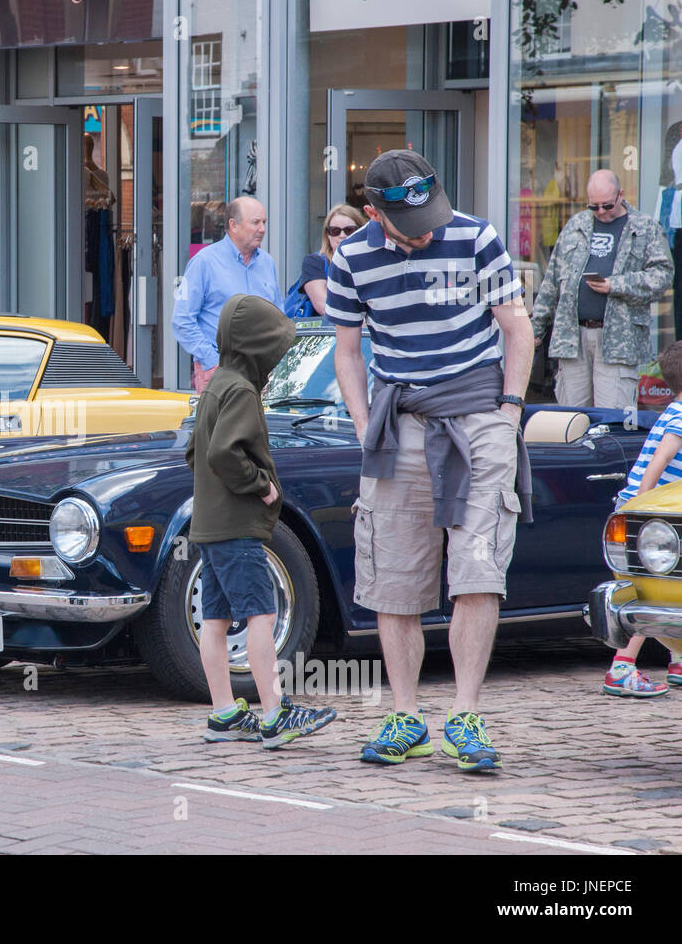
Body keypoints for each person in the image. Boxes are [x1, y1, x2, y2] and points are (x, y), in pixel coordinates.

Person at [328, 149, 533, 773]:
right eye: (410, 220)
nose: (426, 229)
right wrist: (366, 427)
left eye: (431, 213)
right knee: (395, 580)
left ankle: (465, 715)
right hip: (400, 423)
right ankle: (407, 715)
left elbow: (516, 327)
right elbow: (346, 350)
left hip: (477, 415)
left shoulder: (476, 237)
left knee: (477, 569)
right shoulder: (352, 258)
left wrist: (509, 412)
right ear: (373, 212)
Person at [186, 293, 338, 746]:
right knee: (262, 614)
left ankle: (223, 712)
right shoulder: (242, 390)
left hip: (209, 526)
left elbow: (195, 452)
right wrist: (261, 484)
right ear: (259, 348)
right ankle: (273, 713)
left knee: (213, 621)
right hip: (237, 527)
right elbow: (221, 453)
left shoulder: (215, 384)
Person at [531, 169, 675, 411]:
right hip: (572, 338)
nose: (601, 212)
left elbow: (663, 275)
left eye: (607, 206)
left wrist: (615, 285)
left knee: (611, 420)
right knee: (570, 419)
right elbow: (551, 281)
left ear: (621, 195)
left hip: (618, 341)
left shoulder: (644, 227)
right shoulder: (576, 225)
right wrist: (535, 329)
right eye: (594, 207)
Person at [598, 341, 682, 697]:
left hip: (650, 519)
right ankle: (621, 668)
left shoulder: (671, 410)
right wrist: (643, 507)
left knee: (669, 588)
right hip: (648, 520)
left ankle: (677, 661)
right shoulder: (680, 416)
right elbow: (658, 463)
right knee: (646, 592)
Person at [172, 196, 282, 393]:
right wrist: (212, 362)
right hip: (219, 371)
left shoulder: (267, 263)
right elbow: (182, 320)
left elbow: (278, 318)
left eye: (264, 222)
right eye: (255, 222)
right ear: (233, 225)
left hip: (261, 373)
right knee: (221, 425)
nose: (262, 229)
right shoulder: (204, 262)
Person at [285, 204, 366, 318]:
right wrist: (363, 324)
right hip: (326, 333)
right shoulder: (315, 262)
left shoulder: (372, 263)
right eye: (335, 231)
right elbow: (324, 306)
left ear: (361, 232)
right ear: (327, 235)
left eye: (349, 230)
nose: (342, 235)